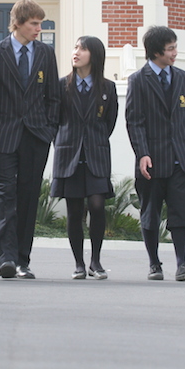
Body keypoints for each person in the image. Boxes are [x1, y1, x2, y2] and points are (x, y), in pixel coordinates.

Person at [0, 0, 61, 279]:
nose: (39, 28)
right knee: (5, 195)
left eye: (40, 23)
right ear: (18, 23)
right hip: (4, 137)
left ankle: (23, 260)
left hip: (36, 137)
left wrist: (49, 130)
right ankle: (6, 257)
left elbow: (53, 97)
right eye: (34, 24)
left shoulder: (46, 54)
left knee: (28, 197)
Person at [125, 25, 185, 282]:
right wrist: (142, 153)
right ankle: (154, 264)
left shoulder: (182, 77)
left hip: (180, 158)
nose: (175, 53)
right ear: (156, 51)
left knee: (182, 212)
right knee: (150, 213)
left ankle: (182, 264)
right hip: (152, 160)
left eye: (175, 47)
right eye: (170, 48)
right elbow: (134, 121)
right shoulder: (138, 80)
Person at [51, 36, 118, 280]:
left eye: (82, 48)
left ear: (95, 55)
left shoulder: (107, 88)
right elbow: (54, 120)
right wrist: (64, 142)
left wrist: (93, 141)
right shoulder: (60, 85)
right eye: (75, 48)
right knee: (74, 211)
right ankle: (79, 263)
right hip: (68, 153)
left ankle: (96, 261)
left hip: (96, 153)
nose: (75, 52)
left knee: (98, 206)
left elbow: (108, 123)